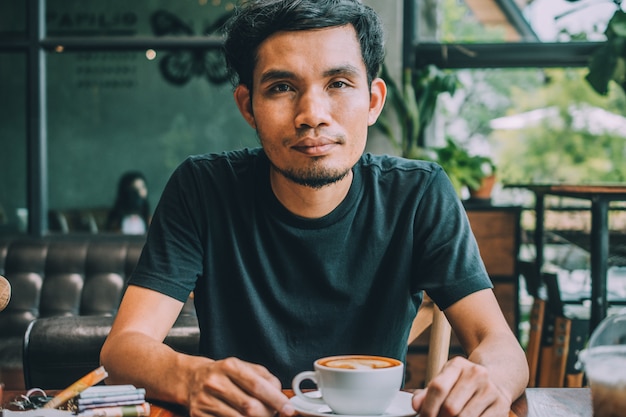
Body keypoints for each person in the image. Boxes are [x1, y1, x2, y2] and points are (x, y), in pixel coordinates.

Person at [101, 1, 529, 416]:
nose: (312, 115)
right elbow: (124, 346)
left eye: (338, 84)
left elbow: (499, 345)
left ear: (373, 100)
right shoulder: (203, 188)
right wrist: (191, 376)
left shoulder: (418, 194)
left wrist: (488, 380)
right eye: (282, 87)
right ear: (248, 106)